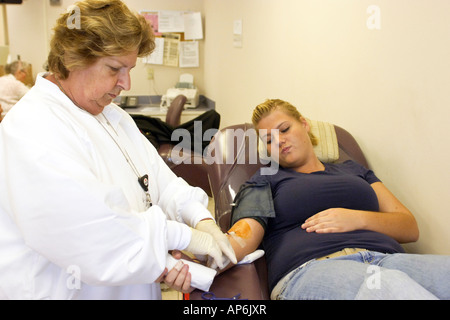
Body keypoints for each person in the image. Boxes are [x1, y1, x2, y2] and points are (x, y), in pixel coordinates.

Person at [0, 0, 235, 300]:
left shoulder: (112, 116)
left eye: (130, 69)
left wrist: (201, 221)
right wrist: (181, 237)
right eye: (115, 69)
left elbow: (161, 183)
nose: (126, 83)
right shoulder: (31, 129)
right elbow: (94, 235)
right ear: (73, 59)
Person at [219, 99, 450, 300]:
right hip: (311, 268)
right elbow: (243, 236)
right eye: (268, 140)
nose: (279, 141)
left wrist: (357, 219)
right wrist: (196, 258)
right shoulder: (263, 181)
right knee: (388, 285)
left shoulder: (354, 170)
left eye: (285, 129)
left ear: (304, 124)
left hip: (387, 260)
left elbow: (409, 227)